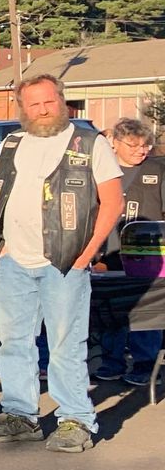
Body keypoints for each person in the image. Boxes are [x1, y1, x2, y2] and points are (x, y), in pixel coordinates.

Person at [0, 75, 122, 453]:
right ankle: (21, 415)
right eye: (33, 104)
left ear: (62, 101)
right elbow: (4, 192)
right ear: (22, 108)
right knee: (13, 342)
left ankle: (76, 419)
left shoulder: (90, 143)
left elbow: (112, 202)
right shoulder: (13, 142)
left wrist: (87, 254)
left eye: (49, 102)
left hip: (65, 262)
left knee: (65, 344)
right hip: (14, 261)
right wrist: (3, 245)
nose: (42, 110)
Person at [96, 117, 165, 383]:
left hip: (149, 257)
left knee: (146, 312)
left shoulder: (157, 169)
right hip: (109, 254)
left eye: (146, 145)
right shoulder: (103, 170)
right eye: (134, 145)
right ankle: (111, 362)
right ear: (115, 143)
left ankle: (145, 365)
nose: (141, 150)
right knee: (111, 311)